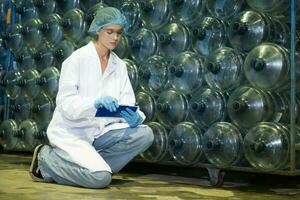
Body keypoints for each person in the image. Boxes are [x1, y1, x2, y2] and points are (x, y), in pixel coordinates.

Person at [28, 7, 154, 189]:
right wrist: (93, 104)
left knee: (145, 134)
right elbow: (66, 104)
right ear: (98, 30)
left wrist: (135, 117)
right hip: (73, 131)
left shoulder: (119, 66)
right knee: (100, 179)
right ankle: (46, 161)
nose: (115, 38)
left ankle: (88, 167)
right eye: (109, 32)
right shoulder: (77, 60)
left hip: (100, 132)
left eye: (118, 33)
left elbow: (127, 103)